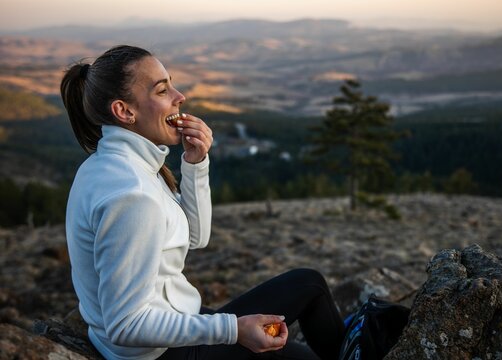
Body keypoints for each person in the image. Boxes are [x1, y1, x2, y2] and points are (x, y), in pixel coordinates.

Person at [60, 44, 345, 360]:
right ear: (125, 111)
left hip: (174, 322)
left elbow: (195, 237)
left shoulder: (112, 165)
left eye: (172, 83)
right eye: (162, 90)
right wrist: (233, 330)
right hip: (158, 352)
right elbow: (126, 325)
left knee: (309, 284)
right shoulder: (132, 196)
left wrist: (195, 163)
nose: (179, 96)